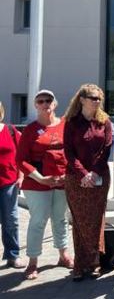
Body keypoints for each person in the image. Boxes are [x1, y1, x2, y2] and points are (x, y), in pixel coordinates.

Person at [16, 90, 74, 280]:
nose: (45, 103)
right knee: (38, 221)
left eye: (48, 100)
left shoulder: (66, 125)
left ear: (55, 104)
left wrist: (68, 174)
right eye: (40, 101)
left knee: (60, 218)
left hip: (62, 181)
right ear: (36, 106)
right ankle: (33, 262)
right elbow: (21, 160)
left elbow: (73, 152)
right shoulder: (30, 129)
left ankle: (63, 255)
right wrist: (40, 178)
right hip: (37, 183)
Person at [63, 84, 113, 281]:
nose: (97, 101)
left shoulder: (105, 121)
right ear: (82, 99)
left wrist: (93, 173)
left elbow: (107, 148)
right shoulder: (71, 122)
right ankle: (80, 264)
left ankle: (94, 263)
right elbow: (68, 151)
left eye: (99, 98)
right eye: (93, 97)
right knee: (80, 221)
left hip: (99, 176)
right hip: (76, 179)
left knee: (96, 219)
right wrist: (83, 173)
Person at [0, 101, 24, 269]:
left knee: (11, 219)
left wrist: (21, 175)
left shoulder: (10, 130)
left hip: (8, 182)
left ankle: (12, 254)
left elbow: (21, 154)